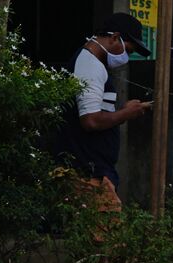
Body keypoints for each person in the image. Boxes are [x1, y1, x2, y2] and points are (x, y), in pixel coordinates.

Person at [50, 12, 152, 209]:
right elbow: (90, 121)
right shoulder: (90, 65)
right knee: (109, 236)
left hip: (92, 171)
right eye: (128, 50)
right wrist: (126, 114)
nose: (126, 57)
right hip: (87, 174)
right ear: (114, 37)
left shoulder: (93, 64)